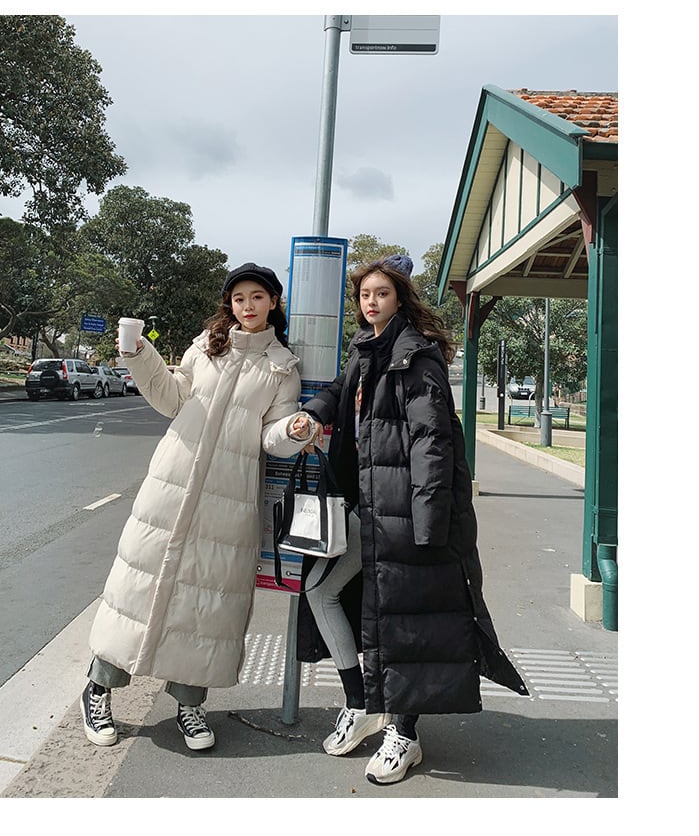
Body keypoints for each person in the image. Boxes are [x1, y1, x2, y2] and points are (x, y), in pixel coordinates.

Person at [293, 254, 529, 785]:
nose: (371, 302)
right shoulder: (364, 349)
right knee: (323, 591)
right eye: (364, 295)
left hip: (407, 513)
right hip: (368, 507)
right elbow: (339, 391)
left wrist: (428, 522)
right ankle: (360, 701)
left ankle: (404, 734)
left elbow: (432, 442)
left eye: (381, 293)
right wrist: (313, 414)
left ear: (399, 298)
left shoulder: (416, 357)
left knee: (406, 621)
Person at [81, 262, 316, 751]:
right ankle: (99, 689)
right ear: (229, 303)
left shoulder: (281, 367)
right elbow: (171, 399)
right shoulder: (207, 346)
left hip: (229, 498)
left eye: (257, 297)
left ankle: (189, 705)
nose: (247, 306)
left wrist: (294, 431)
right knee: (137, 589)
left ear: (273, 302)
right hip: (171, 485)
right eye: (238, 298)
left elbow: (271, 438)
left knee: (207, 606)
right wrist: (139, 353)